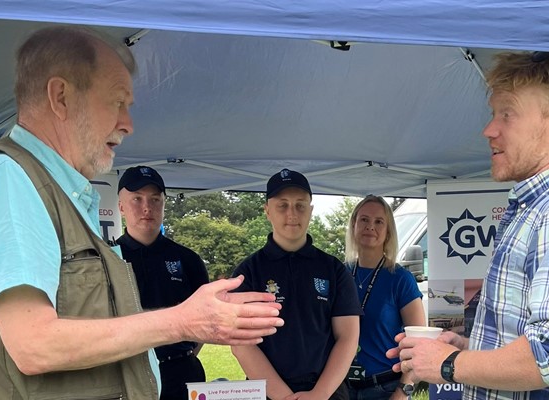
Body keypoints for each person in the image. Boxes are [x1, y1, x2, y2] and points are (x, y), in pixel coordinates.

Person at [0, 26, 282, 400]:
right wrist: (185, 320)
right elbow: (34, 344)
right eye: (117, 101)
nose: (128, 124)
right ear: (61, 97)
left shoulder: (54, 192)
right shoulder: (8, 180)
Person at [390, 51, 549, 399]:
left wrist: (450, 364)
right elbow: (527, 337)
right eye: (494, 114)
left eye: (507, 114)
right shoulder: (539, 210)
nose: (489, 129)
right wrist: (467, 345)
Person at [231, 168, 362, 400]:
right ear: (267, 211)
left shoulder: (333, 269)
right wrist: (284, 397)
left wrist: (320, 393)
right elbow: (241, 343)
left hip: (326, 392)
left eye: (300, 205)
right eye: (282, 205)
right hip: (267, 392)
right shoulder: (248, 272)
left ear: (310, 211)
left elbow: (348, 337)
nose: (292, 213)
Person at [116, 166, 210, 399]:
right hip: (127, 372)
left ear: (164, 204)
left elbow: (206, 316)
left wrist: (182, 353)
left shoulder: (188, 259)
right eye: (137, 199)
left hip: (181, 373)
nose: (147, 207)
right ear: (120, 206)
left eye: (155, 199)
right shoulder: (108, 258)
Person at [343, 195, 425, 400]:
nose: (370, 226)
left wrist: (402, 393)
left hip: (385, 389)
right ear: (354, 225)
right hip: (342, 388)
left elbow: (419, 344)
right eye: (364, 220)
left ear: (388, 232)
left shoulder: (400, 279)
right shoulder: (340, 274)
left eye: (379, 221)